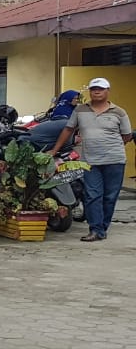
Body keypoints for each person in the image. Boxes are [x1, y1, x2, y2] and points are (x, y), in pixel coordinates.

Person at [49, 78, 132, 242]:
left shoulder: (119, 112)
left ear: (107, 91)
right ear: (90, 92)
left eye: (100, 89)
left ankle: (102, 228)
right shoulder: (80, 110)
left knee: (109, 196)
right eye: (93, 89)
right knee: (92, 195)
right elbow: (68, 129)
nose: (97, 92)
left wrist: (110, 145)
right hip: (90, 161)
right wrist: (54, 150)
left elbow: (127, 135)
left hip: (115, 160)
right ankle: (95, 230)